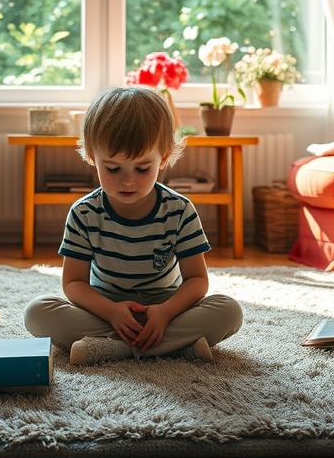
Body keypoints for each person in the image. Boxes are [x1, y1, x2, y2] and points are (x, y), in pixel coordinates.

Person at [24, 86, 243, 365]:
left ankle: (114, 348)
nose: (128, 181)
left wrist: (163, 313)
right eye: (113, 169)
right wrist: (113, 312)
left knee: (228, 310)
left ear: (163, 158)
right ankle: (174, 346)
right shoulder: (84, 213)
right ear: (92, 156)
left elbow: (197, 281)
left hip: (167, 307)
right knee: (37, 312)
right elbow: (74, 283)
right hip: (105, 308)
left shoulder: (179, 210)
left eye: (142, 168)